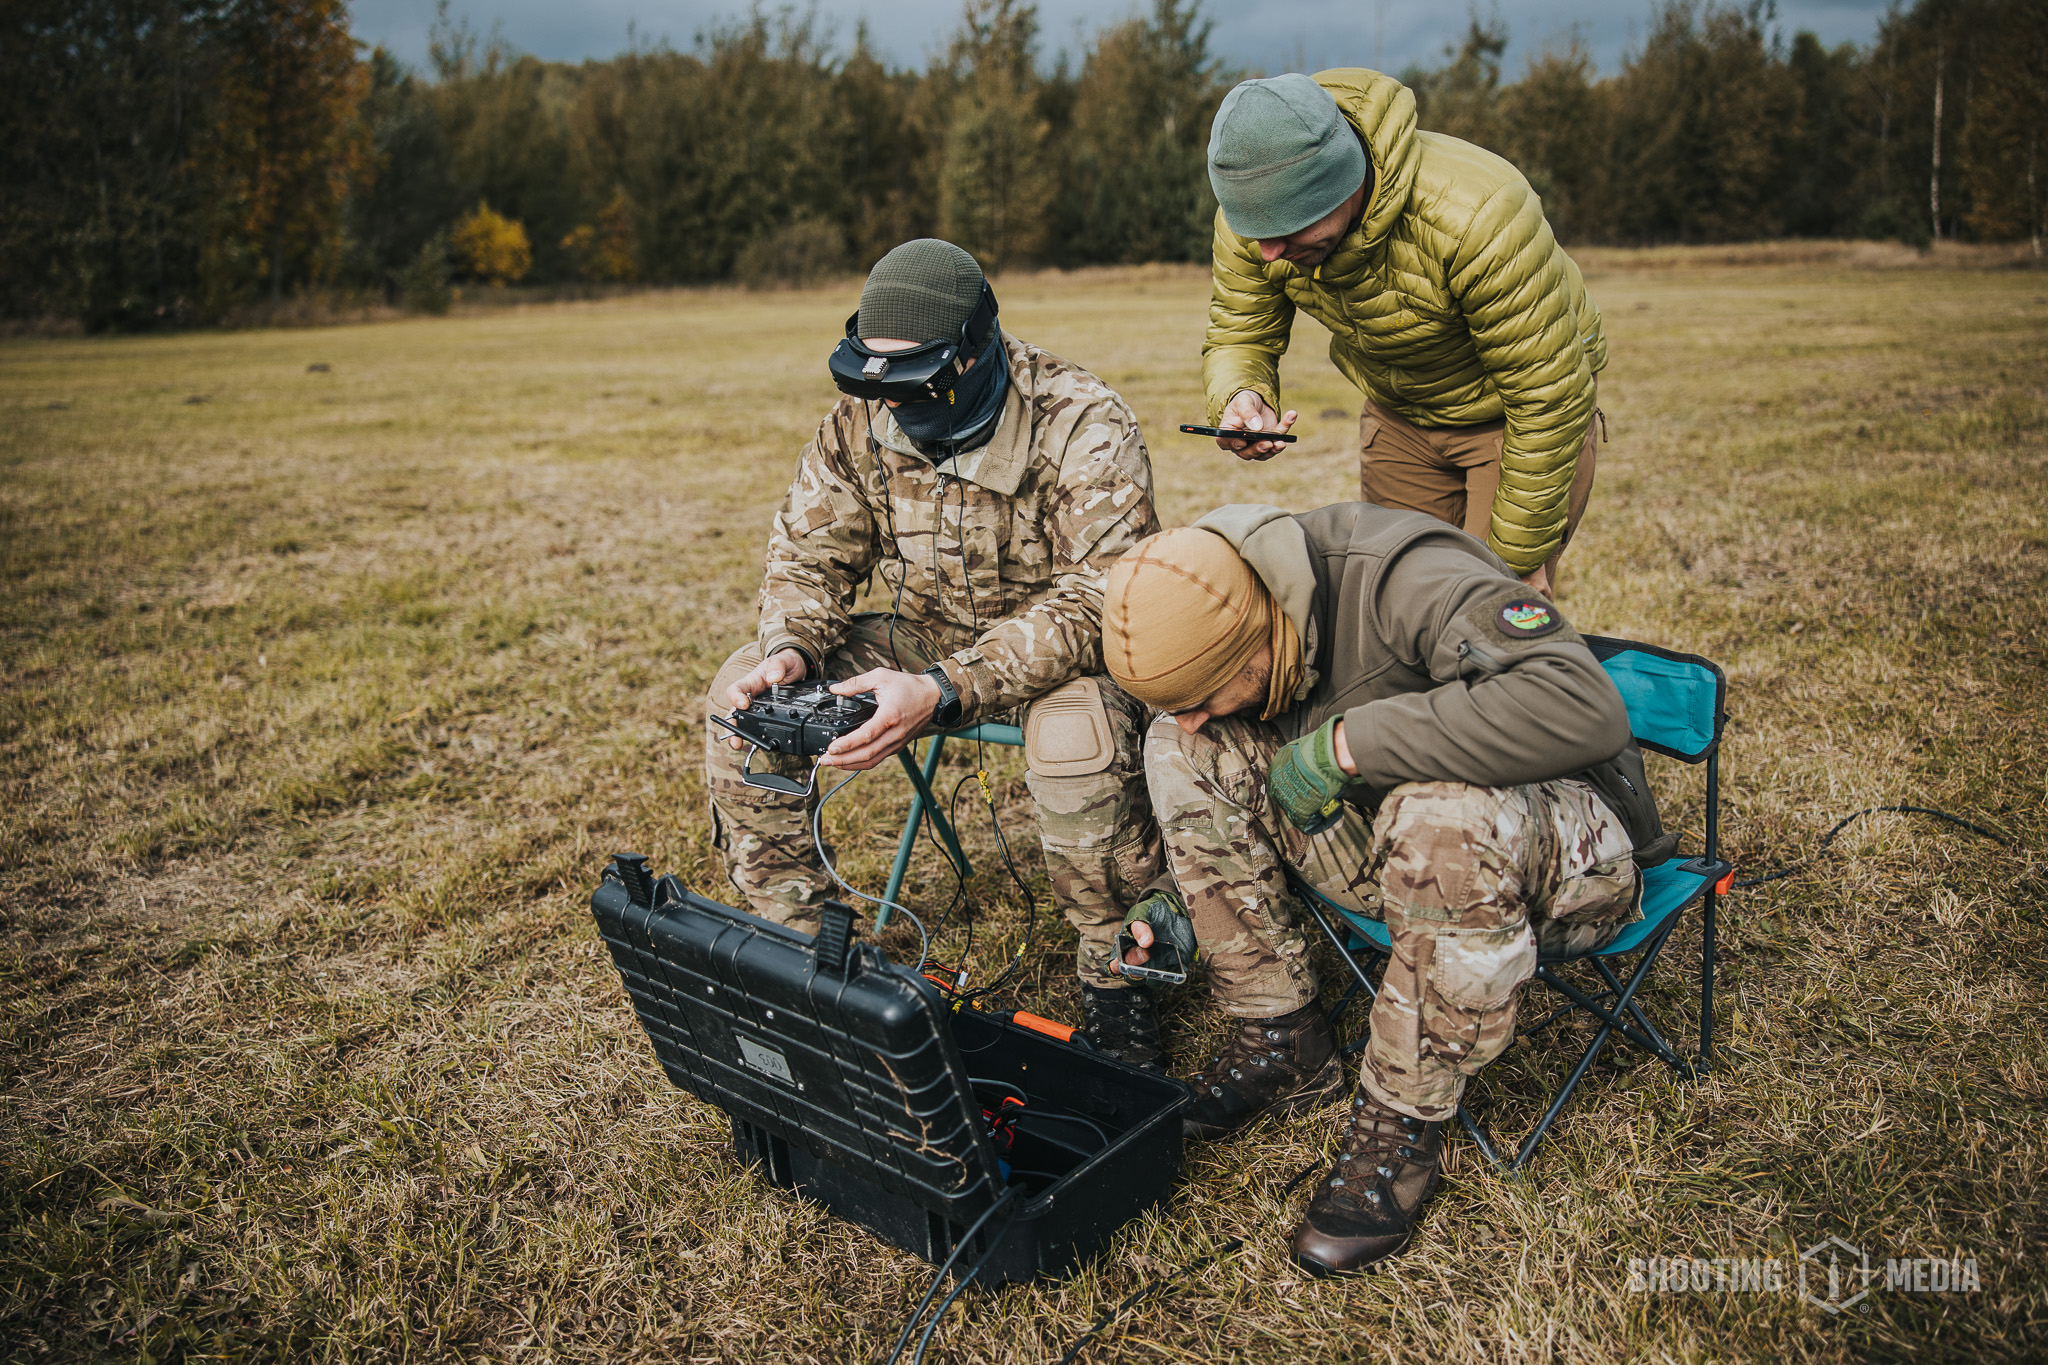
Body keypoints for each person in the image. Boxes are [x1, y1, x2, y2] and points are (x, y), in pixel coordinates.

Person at [1100, 503, 1670, 1274]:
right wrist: (1182, 891)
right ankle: (1281, 1038)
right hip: (1398, 841)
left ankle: (1399, 1118)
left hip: (1565, 854)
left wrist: (1348, 743)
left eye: (1205, 690)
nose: (1198, 713)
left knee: (1439, 812)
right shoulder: (1220, 592)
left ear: (1257, 639)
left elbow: (1580, 706)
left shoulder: (1401, 575)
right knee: (1180, 746)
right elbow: (1213, 739)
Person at [704, 238, 1177, 1067]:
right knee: (742, 704)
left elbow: (1096, 598)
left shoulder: (1082, 420)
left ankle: (1119, 984)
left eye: (915, 382)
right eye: (870, 381)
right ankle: (814, 969)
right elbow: (808, 558)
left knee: (1080, 741)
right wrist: (789, 647)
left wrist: (943, 686)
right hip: (925, 634)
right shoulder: (860, 420)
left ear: (973, 353)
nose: (891, 405)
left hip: (1061, 654)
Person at [1201, 69, 1607, 595]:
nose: (1268, 252)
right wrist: (1242, 396)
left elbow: (1547, 395)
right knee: (1394, 604)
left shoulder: (1478, 215)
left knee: (1487, 607)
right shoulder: (1256, 225)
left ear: (1342, 183)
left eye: (1285, 226)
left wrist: (1518, 562)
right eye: (1254, 230)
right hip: (1399, 413)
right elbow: (1240, 331)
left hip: (1509, 417)